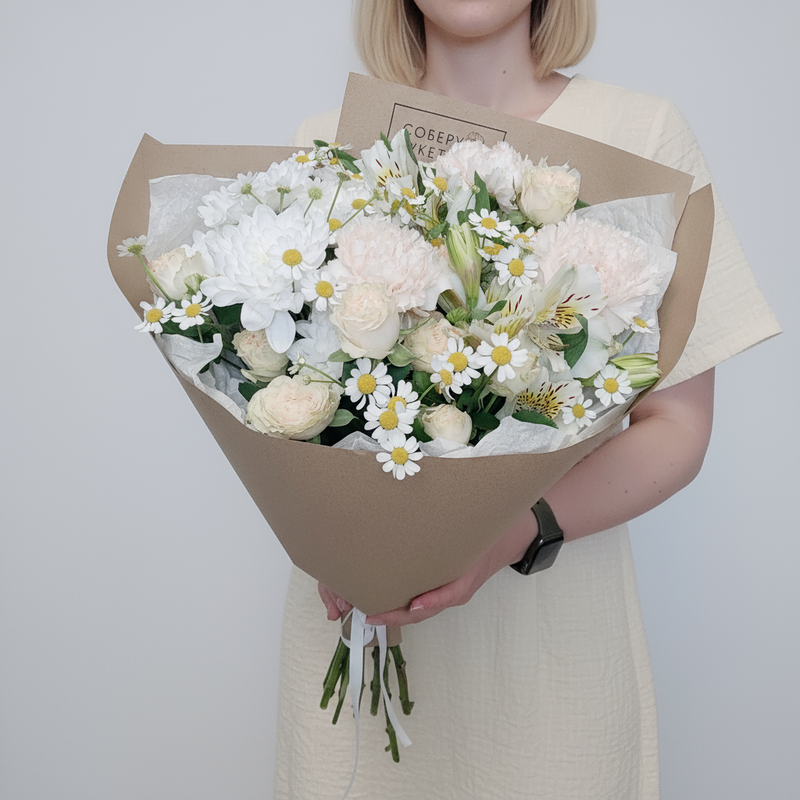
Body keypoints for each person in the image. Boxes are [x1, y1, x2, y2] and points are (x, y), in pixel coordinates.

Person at [276, 2, 780, 797]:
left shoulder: (642, 136)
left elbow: (676, 426)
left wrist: (514, 532)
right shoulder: (332, 140)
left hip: (552, 647)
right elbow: (282, 387)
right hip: (363, 640)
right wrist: (328, 531)